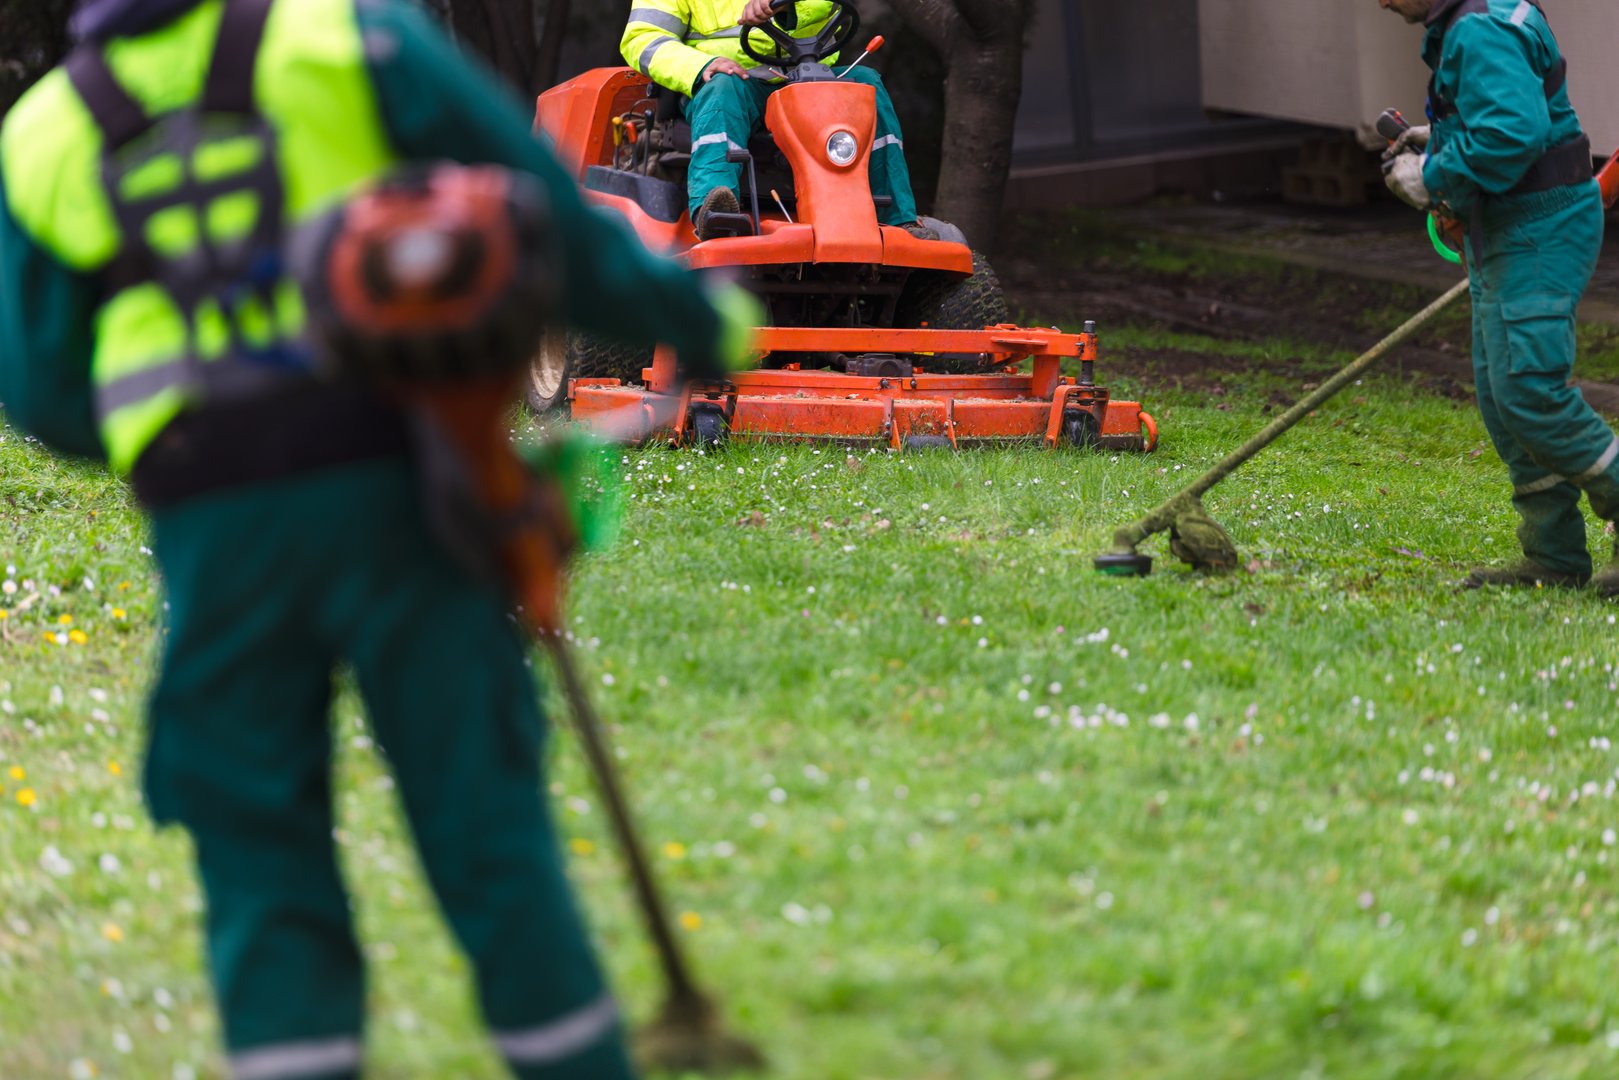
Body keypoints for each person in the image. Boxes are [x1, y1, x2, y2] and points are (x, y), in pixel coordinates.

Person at [0, 1, 751, 1077]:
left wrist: (172, 435)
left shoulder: (42, 136)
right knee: (482, 819)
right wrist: (698, 318)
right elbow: (538, 206)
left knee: (258, 838)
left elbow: (40, 391)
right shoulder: (351, 38)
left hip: (215, 526)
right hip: (403, 485)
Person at [1379, 0, 1619, 597]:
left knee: (1531, 392)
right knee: (1503, 398)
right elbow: (1508, 114)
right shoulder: (1476, 19)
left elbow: (1514, 133)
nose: (1379, 2)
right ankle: (1554, 557)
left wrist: (1431, 175)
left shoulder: (1477, 30)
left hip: (1539, 231)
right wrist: (1441, 137)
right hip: (1512, 226)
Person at [620, 0, 936, 241]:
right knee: (722, 91)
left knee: (866, 84)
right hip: (732, 81)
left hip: (807, 78)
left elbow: (823, 8)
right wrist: (703, 64)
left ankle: (898, 220)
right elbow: (643, 39)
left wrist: (785, 6)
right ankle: (714, 210)